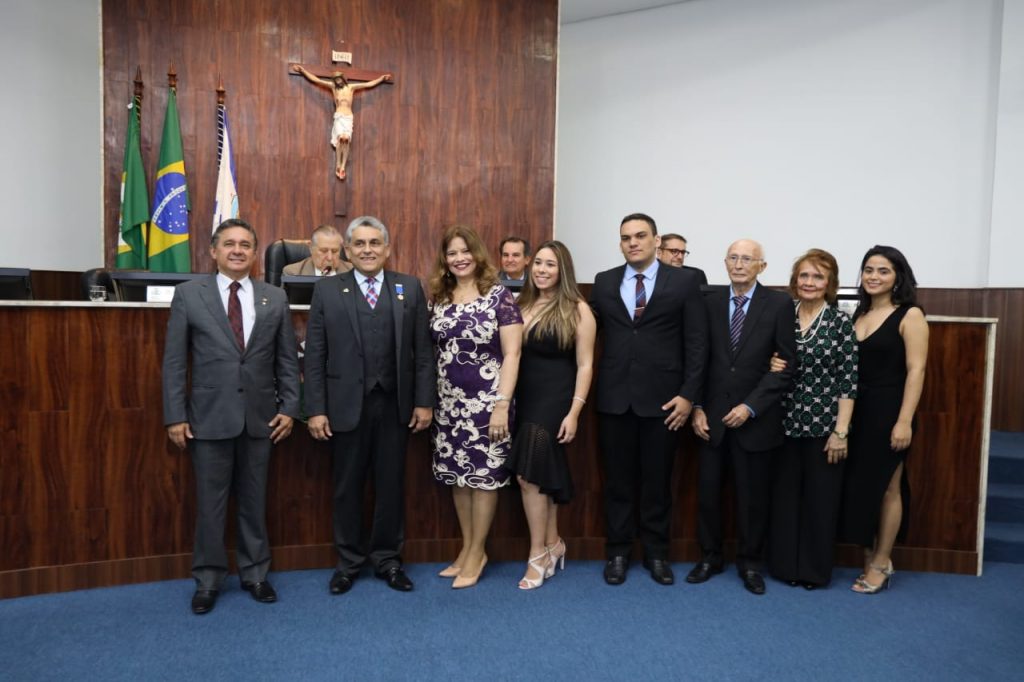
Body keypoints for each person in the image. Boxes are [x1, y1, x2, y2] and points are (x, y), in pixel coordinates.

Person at [162, 218, 300, 614]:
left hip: (261, 419)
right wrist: (175, 416)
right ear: (213, 251)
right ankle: (207, 580)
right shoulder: (190, 295)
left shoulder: (273, 297)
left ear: (256, 254)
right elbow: (174, 362)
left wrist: (290, 407)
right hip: (207, 419)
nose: (237, 250)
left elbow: (287, 360)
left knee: (254, 502)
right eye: (229, 244)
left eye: (245, 245)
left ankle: (255, 574)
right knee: (210, 504)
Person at [303, 216, 435, 595]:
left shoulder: (408, 288)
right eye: (359, 243)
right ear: (347, 250)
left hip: (395, 407)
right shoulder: (328, 291)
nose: (367, 250)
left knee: (391, 486)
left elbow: (423, 354)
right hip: (344, 407)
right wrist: (315, 408)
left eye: (375, 243)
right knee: (347, 488)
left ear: (387, 248)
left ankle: (388, 560)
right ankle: (348, 563)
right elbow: (315, 355)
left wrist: (424, 402)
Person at [589, 213, 707, 586]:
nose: (633, 242)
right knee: (618, 483)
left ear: (657, 240)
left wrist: (689, 395)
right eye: (626, 237)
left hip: (664, 402)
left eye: (641, 236)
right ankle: (618, 553)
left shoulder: (685, 281)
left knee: (658, 483)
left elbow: (697, 344)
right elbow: (586, 332)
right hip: (614, 398)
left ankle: (657, 555)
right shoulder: (605, 282)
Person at [688, 239, 796, 596]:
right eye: (733, 258)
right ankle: (710, 557)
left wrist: (750, 406)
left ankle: (750, 563)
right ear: (724, 262)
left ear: (761, 267)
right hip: (711, 420)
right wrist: (698, 407)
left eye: (747, 259)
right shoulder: (709, 301)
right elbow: (698, 359)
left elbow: (785, 366)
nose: (738, 264)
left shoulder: (779, 304)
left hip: (755, 420)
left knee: (752, 498)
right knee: (708, 496)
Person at [428, 225, 523, 589]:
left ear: (477, 254)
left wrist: (502, 405)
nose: (459, 258)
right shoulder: (439, 295)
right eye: (452, 253)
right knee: (458, 477)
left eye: (465, 251)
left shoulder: (499, 296)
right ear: (445, 260)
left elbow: (513, 353)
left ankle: (478, 552)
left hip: (488, 403)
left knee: (483, 479)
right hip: (448, 404)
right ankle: (468, 548)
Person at [504, 240, 596, 589]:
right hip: (523, 399)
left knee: (528, 477)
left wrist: (575, 412)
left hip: (555, 400)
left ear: (563, 271)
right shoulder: (519, 302)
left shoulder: (577, 309)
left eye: (550, 265)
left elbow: (586, 365)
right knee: (541, 475)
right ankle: (555, 544)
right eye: (538, 263)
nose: (542, 270)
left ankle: (537, 554)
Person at [768, 249, 857, 590]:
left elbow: (848, 381)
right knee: (785, 498)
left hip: (824, 427)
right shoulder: (780, 313)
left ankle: (813, 571)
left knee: (820, 501)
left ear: (830, 283)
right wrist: (771, 365)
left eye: (818, 277)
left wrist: (841, 431)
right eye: (804, 275)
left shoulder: (839, 323)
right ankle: (784, 567)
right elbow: (761, 358)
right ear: (795, 280)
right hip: (782, 422)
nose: (809, 282)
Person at [842, 245, 928, 594]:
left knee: (889, 488)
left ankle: (881, 561)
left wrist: (904, 420)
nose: (873, 277)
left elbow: (916, 370)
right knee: (861, 487)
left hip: (890, 410)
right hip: (856, 411)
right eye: (868, 270)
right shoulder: (857, 316)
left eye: (883, 271)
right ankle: (869, 553)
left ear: (897, 277)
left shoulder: (910, 315)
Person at [292, 65, 392, 180]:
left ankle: (343, 166)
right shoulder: (334, 88)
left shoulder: (351, 88)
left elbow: (367, 84)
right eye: (335, 80)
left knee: (346, 140)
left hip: (348, 117)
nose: (337, 81)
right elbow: (316, 80)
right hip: (339, 116)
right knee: (341, 139)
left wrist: (381, 79)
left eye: (339, 79)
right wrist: (303, 71)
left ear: (343, 79)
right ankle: (338, 165)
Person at [282, 224, 352, 276]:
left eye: (334, 251)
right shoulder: (293, 273)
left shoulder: (353, 272)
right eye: (324, 251)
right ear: (311, 248)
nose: (330, 258)